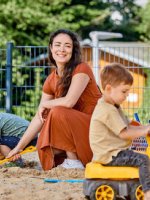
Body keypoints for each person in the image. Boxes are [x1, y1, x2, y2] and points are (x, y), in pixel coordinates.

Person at [7, 29, 101, 170]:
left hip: (95, 132)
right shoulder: (51, 79)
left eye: (67, 46)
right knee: (43, 146)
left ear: (73, 50)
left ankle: (74, 161)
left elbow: (69, 101)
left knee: (58, 111)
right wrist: (18, 148)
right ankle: (70, 160)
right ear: (51, 48)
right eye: (57, 45)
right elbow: (39, 117)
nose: (62, 49)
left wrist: (46, 104)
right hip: (74, 133)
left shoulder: (82, 69)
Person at [89, 63, 150, 200]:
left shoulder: (113, 106)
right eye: (124, 91)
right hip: (110, 155)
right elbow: (125, 133)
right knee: (143, 159)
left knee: (139, 155)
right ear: (109, 89)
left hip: (113, 151)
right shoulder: (108, 110)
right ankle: (147, 192)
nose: (127, 95)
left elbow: (128, 127)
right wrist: (145, 130)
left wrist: (144, 128)